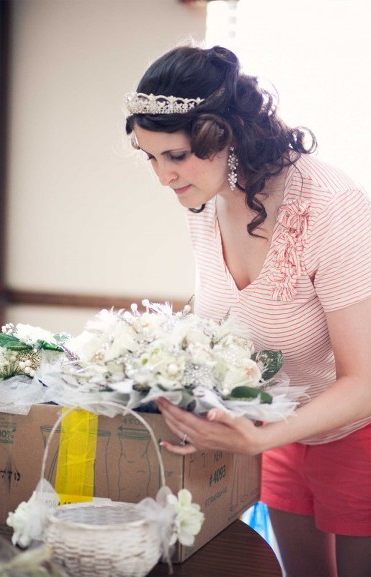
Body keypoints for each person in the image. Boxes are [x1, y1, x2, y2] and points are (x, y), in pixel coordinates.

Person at [124, 45, 371, 577]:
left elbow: (365, 380)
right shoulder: (201, 201)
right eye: (151, 157)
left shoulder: (332, 204)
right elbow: (224, 324)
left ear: (226, 136)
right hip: (275, 429)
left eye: (176, 156)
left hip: (358, 432)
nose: (163, 177)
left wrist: (260, 437)